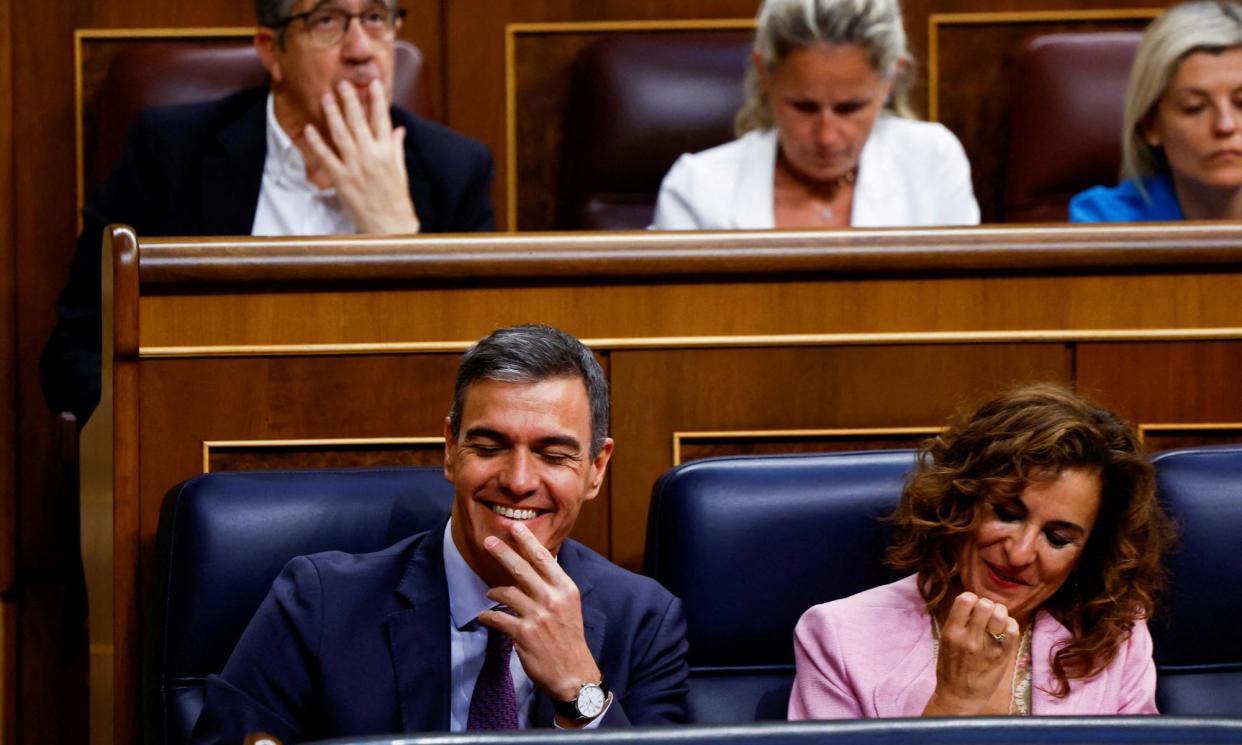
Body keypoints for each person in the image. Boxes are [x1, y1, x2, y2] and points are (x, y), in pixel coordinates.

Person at [189, 324, 689, 743]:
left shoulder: (643, 621)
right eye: (489, 446)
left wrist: (579, 689)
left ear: (596, 469)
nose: (517, 481)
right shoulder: (319, 604)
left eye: (553, 455)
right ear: (450, 449)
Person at [40, 0, 496, 425]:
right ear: (271, 51)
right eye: (327, 21)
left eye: (376, 17)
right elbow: (78, 347)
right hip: (211, 449)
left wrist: (398, 235)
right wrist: (165, 425)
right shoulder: (172, 154)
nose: (361, 49)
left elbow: (485, 377)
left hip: (387, 452)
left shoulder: (454, 172)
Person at [789, 383, 1173, 718]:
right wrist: (954, 703)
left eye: (1057, 538)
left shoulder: (1113, 634)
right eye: (1007, 514)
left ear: (1088, 553)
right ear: (962, 500)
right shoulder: (838, 636)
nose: (1020, 554)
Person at [650, 0, 979, 230]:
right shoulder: (695, 189)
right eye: (804, 107)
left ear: (890, 79)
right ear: (766, 75)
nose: (827, 136)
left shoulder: (932, 162)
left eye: (850, 108)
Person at [1070, 1, 1242, 222]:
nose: (1225, 125)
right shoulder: (1102, 221)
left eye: (1241, 103)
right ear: (1151, 125)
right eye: (1194, 107)